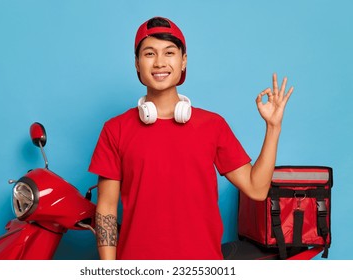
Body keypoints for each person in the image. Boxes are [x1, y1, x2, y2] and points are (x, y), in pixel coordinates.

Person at [88, 16, 293, 260]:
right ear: (136, 63)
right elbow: (107, 210)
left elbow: (257, 189)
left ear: (183, 61)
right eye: (150, 53)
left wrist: (273, 127)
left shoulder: (213, 125)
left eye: (169, 52)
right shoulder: (115, 130)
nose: (160, 62)